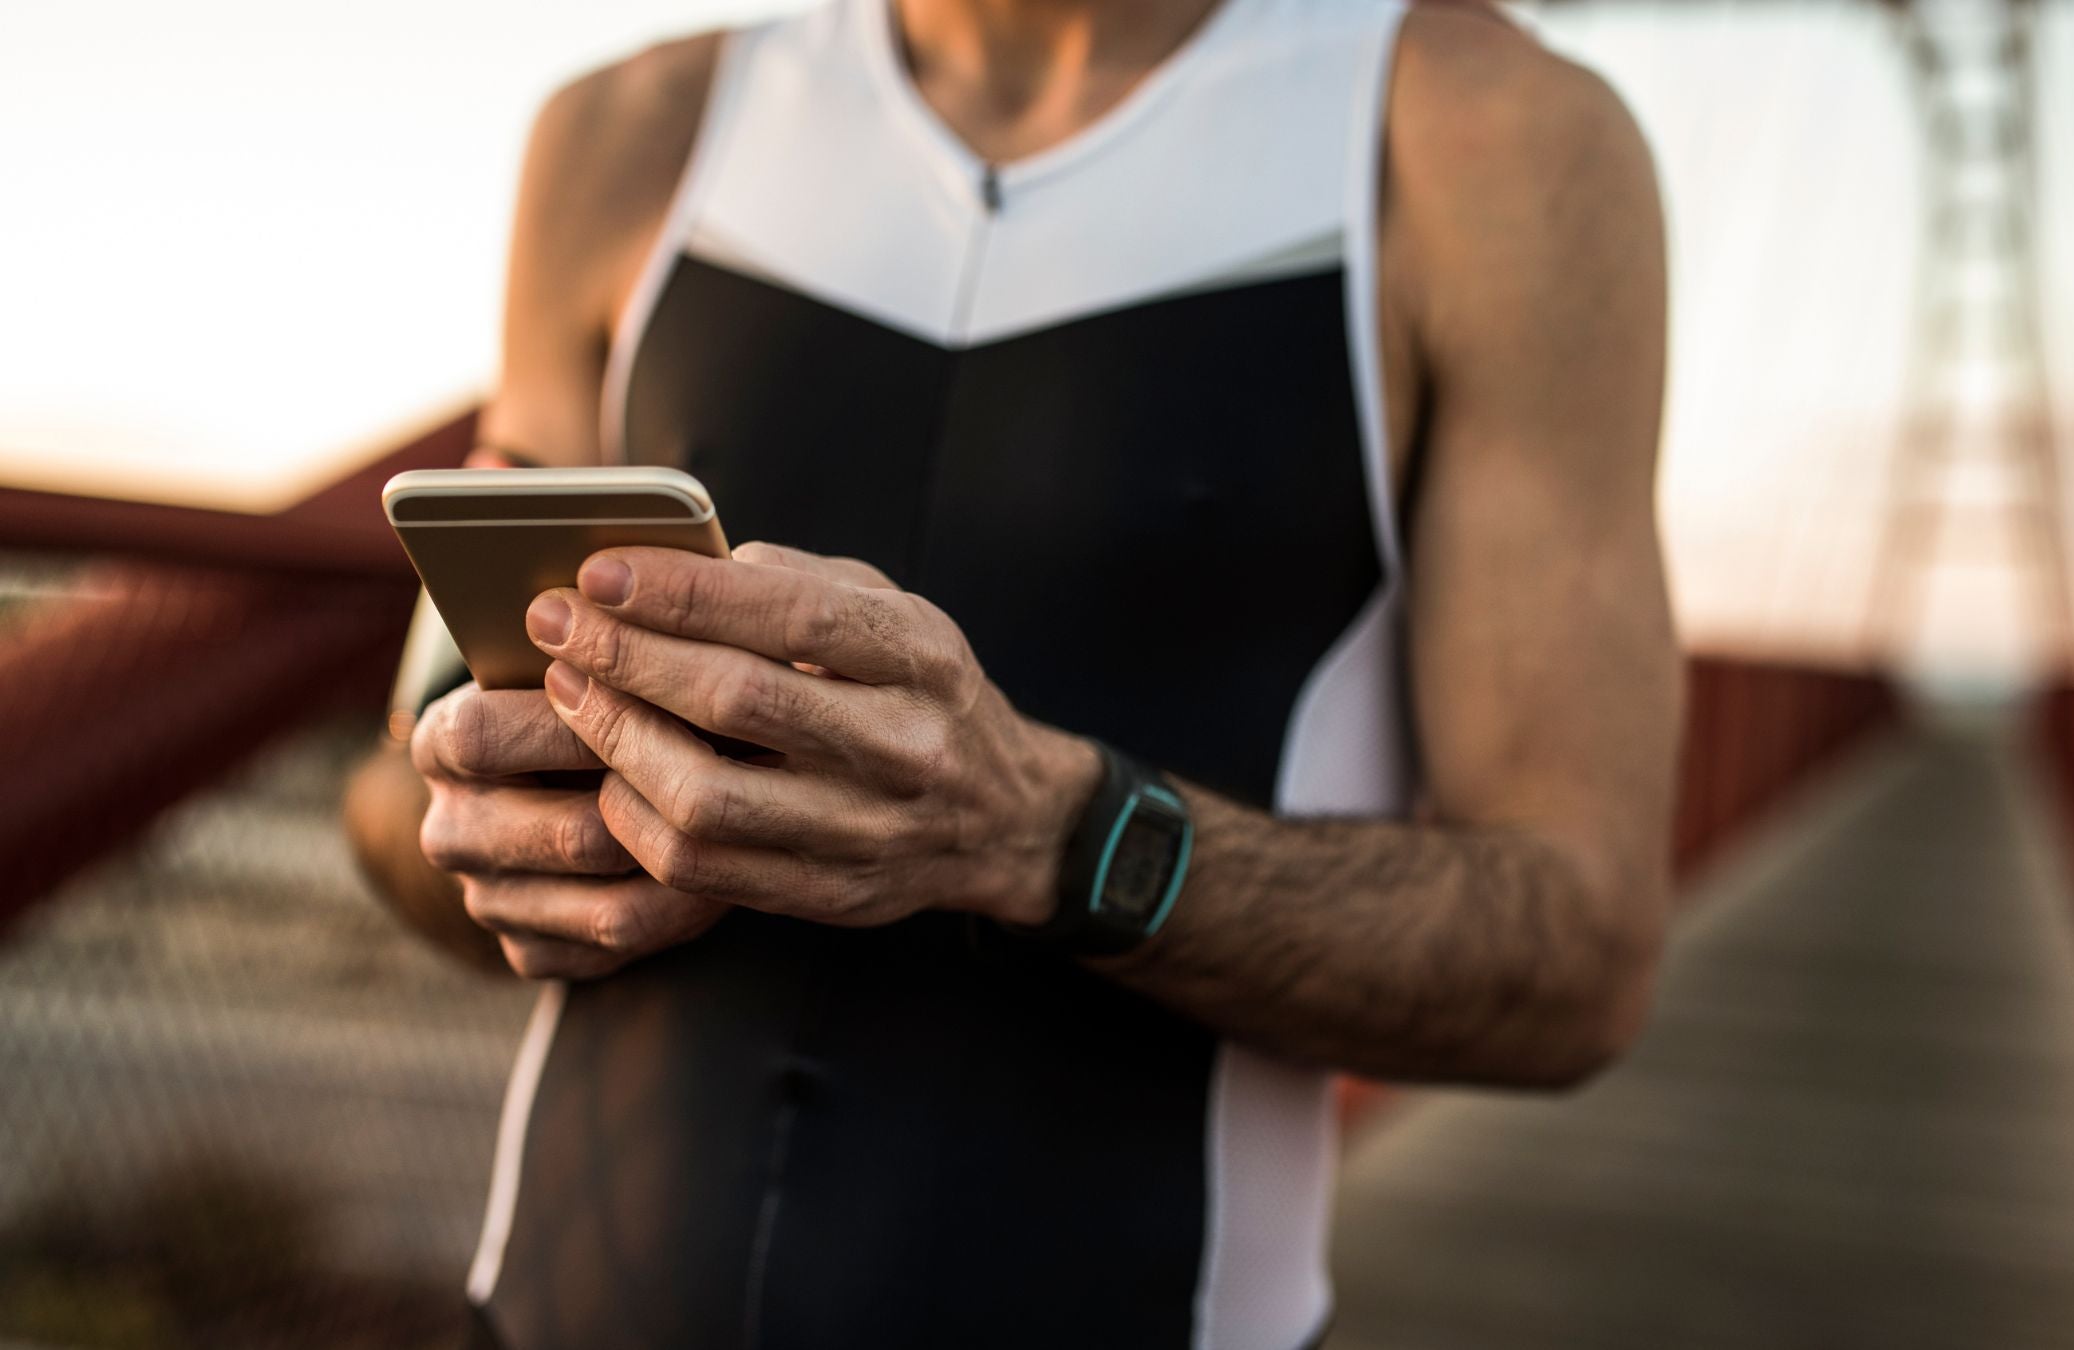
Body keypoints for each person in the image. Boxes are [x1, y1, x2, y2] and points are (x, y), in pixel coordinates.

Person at [343, 0, 1678, 1344]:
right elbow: (400, 792)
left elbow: (1579, 952)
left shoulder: (1486, 143)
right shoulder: (630, 135)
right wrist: (508, 824)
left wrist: (1046, 832)